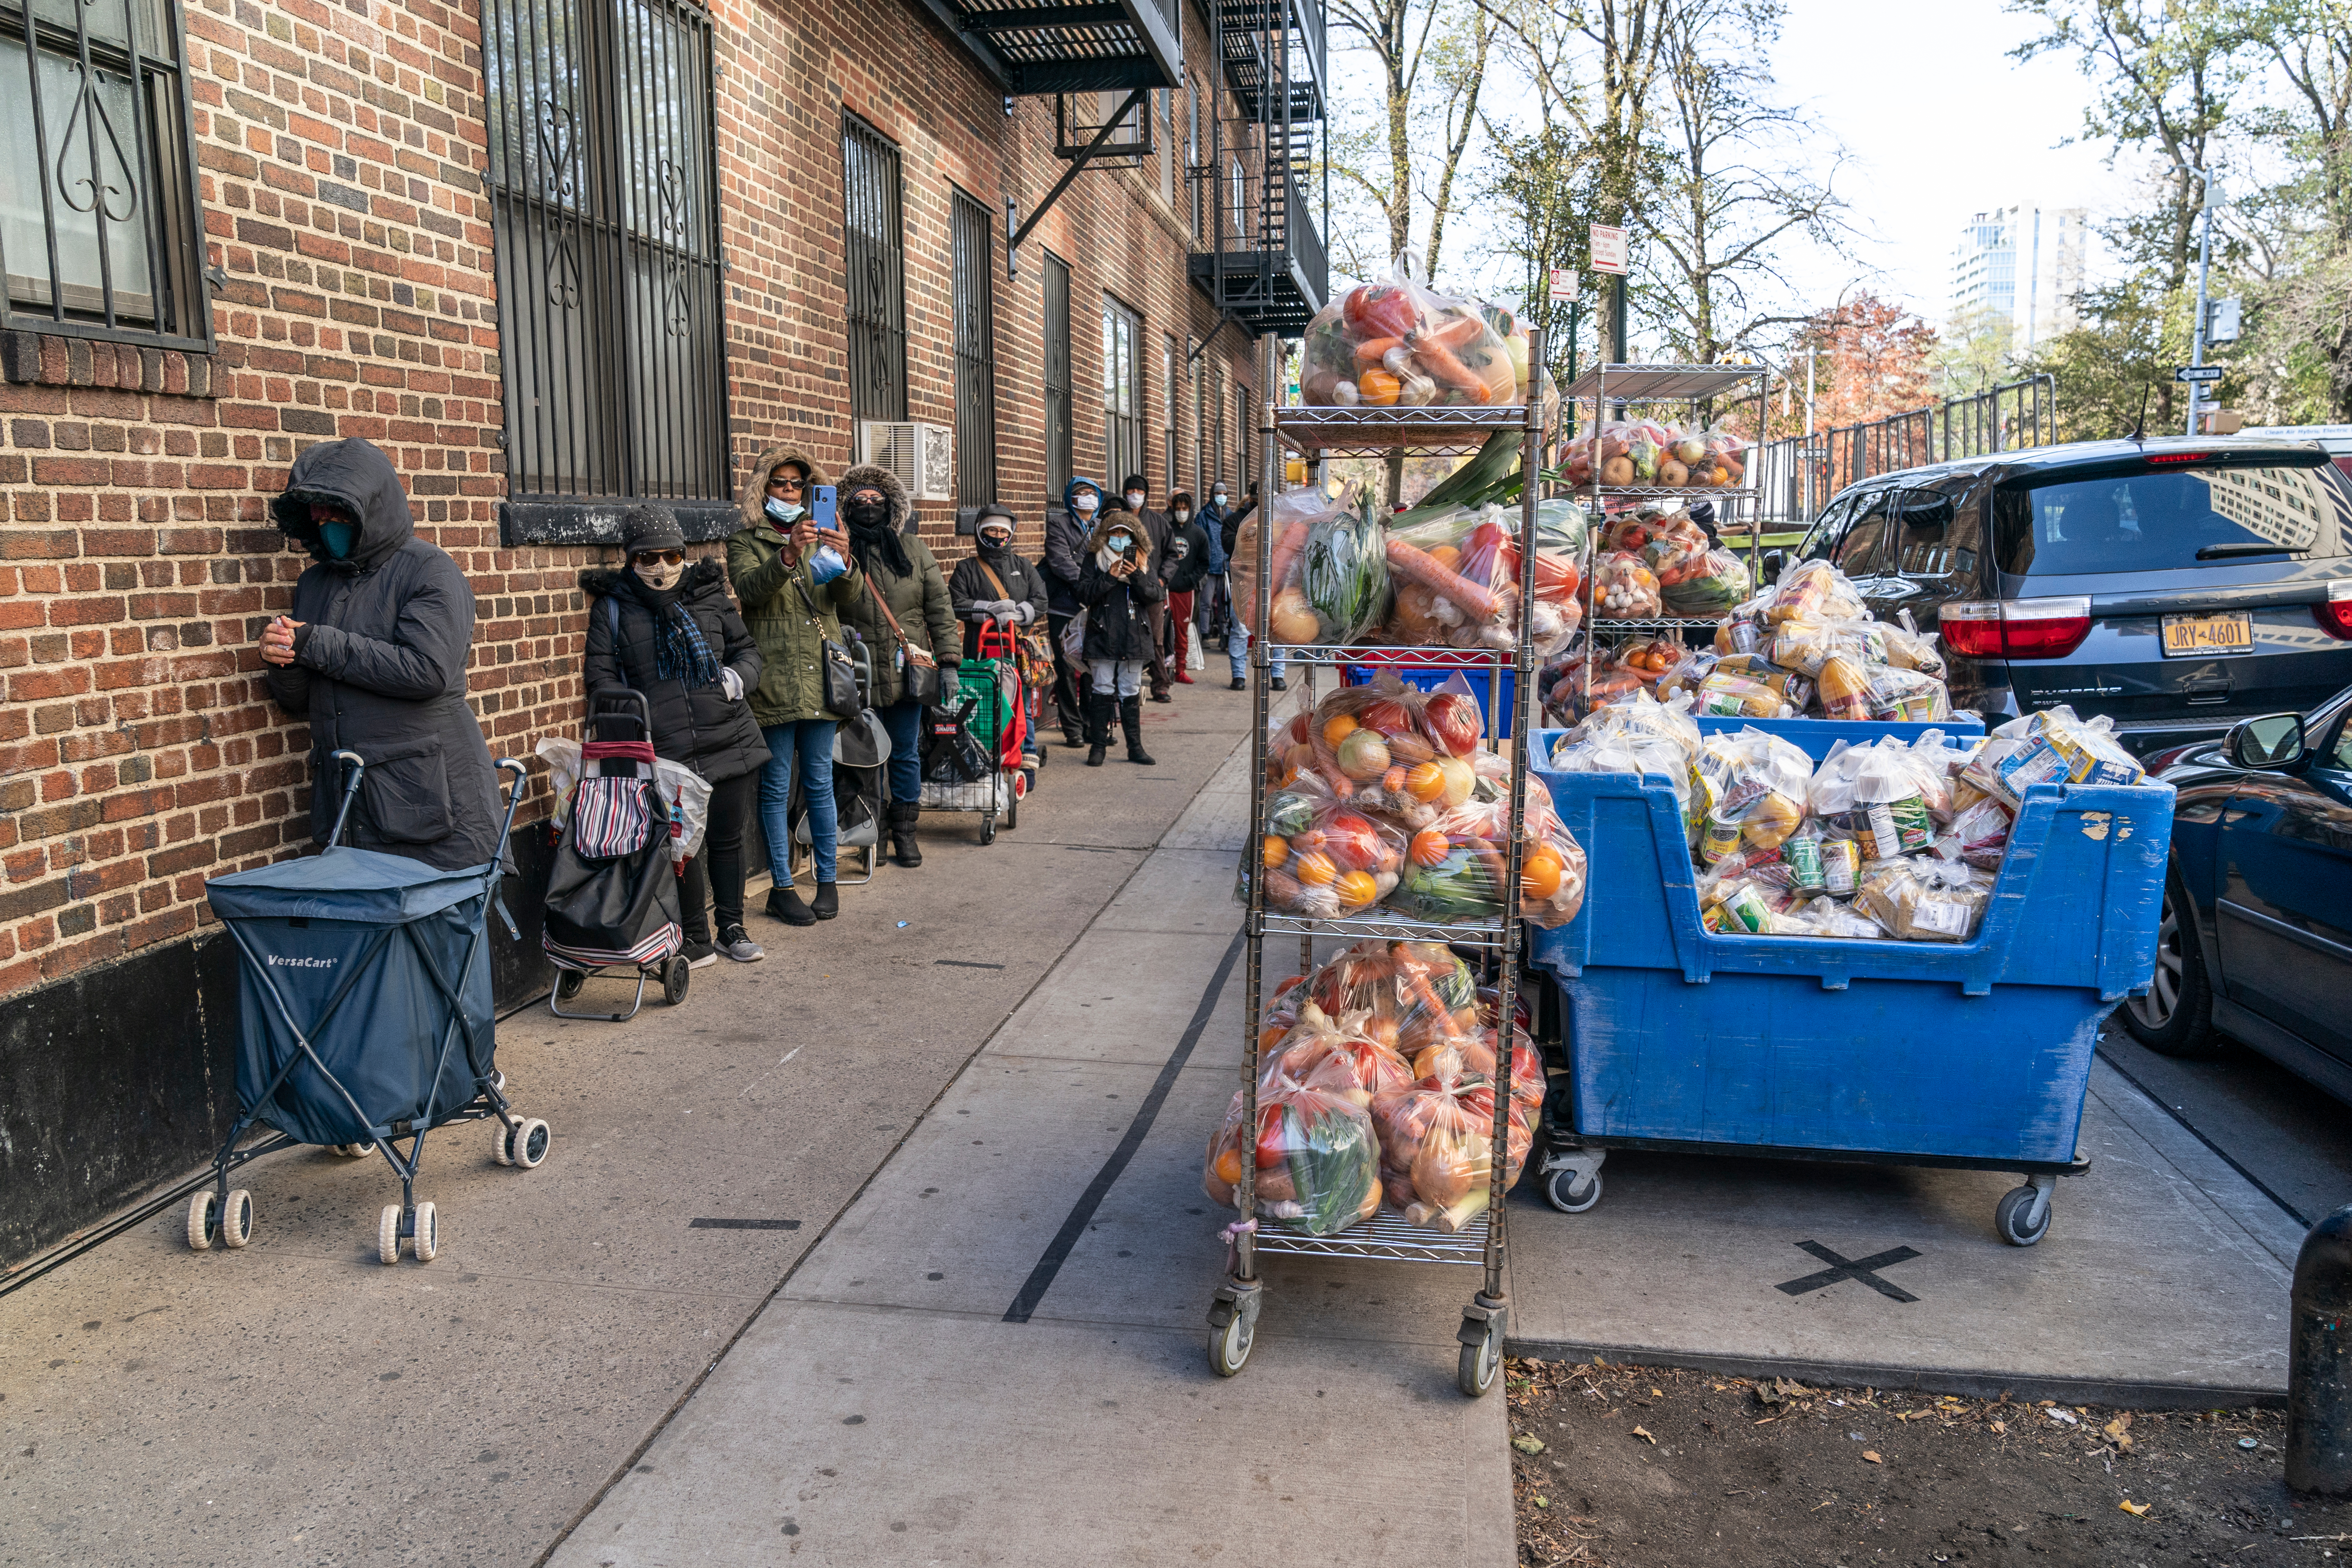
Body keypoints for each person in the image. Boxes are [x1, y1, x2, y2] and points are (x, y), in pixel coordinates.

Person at [261, 437, 507, 871]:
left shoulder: (429, 570)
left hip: (431, 806)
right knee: (375, 936)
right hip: (351, 808)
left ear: (370, 506)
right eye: (316, 513)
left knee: (442, 933)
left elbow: (426, 670)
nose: (324, 522)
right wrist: (283, 658)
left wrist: (314, 643)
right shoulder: (314, 584)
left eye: (336, 510)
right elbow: (300, 700)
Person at [581, 506, 768, 966]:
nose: (661, 567)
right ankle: (696, 937)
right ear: (631, 561)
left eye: (670, 555)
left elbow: (747, 650)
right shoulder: (613, 609)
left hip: (728, 735)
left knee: (727, 841)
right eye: (648, 558)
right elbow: (601, 679)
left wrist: (735, 679)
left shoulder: (708, 595)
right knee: (680, 847)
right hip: (666, 749)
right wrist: (637, 721)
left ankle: (732, 927)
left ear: (683, 554)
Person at [728, 446, 865, 926]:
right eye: (780, 483)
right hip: (774, 680)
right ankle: (782, 888)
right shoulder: (746, 541)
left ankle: (826, 882)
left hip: (820, 679)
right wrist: (788, 554)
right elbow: (749, 592)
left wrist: (847, 561)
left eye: (797, 484)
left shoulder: (826, 533)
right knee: (775, 787)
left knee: (821, 784)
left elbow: (848, 599)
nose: (789, 491)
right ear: (764, 488)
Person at [831, 464, 957, 871]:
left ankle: (905, 832)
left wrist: (950, 660)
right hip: (860, 673)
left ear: (891, 506)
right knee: (865, 757)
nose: (868, 507)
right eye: (859, 501)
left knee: (904, 753)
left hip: (907, 672)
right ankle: (875, 832)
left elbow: (939, 607)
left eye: (876, 500)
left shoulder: (915, 550)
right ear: (845, 509)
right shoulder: (836, 551)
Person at [1076, 507, 1163, 767]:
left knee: (1130, 691)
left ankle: (1135, 748)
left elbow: (1155, 595)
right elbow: (1083, 593)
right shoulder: (1094, 559)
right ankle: (1098, 747)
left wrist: (1135, 574)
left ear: (1133, 537)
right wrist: (1109, 577)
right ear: (1105, 535)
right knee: (1101, 690)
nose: (1119, 537)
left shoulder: (1143, 560)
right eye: (1113, 532)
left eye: (1124, 533)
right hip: (1103, 633)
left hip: (1134, 634)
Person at [1041, 476, 1103, 748]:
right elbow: (1059, 560)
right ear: (1071, 498)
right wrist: (1086, 585)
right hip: (1064, 606)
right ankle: (1072, 727)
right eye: (1081, 493)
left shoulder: (1102, 527)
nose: (1088, 497)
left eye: (1092, 493)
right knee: (1066, 668)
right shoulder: (1059, 525)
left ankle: (1092, 724)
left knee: (1092, 667)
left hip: (1095, 607)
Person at [949, 503, 1050, 663]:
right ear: (981, 531)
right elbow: (956, 603)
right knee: (985, 686)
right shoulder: (966, 568)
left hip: (1019, 646)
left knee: (1018, 687)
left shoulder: (1023, 566)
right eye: (992, 530)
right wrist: (988, 610)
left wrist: (1021, 615)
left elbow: (1041, 600)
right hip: (980, 646)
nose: (998, 535)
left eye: (1004, 531)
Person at [1217, 482, 1286, 691]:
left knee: (1277, 627)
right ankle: (1239, 674)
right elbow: (1229, 544)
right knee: (1240, 628)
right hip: (1245, 581)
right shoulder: (1236, 520)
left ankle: (1278, 674)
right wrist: (1252, 537)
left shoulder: (1279, 520)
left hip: (1275, 580)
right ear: (1252, 499)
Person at [1112, 474, 1176, 702]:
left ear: (1146, 494)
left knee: (1157, 638)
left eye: (1139, 491)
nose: (1135, 496)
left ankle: (1160, 685)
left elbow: (1172, 555)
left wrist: (1162, 580)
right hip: (1122, 590)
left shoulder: (1159, 523)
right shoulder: (1118, 521)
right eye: (1130, 491)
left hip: (1152, 592)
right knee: (1124, 637)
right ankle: (1124, 685)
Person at [1159, 491, 1211, 685]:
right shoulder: (1165, 530)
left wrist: (1191, 580)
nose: (1181, 512)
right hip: (1165, 589)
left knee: (1182, 631)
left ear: (1190, 510)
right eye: (1178, 508)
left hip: (1186, 591)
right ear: (1172, 508)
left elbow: (1204, 562)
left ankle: (1180, 669)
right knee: (1162, 631)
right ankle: (1163, 670)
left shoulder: (1198, 534)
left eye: (1185, 509)